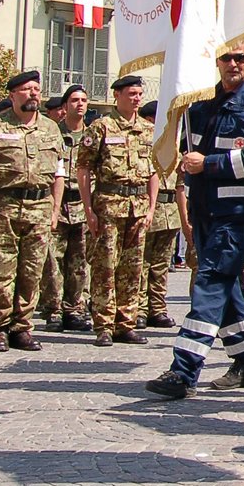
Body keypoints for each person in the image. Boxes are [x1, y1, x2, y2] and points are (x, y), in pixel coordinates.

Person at [144, 42, 244, 398]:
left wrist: (210, 164)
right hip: (205, 210)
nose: (233, 64)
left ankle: (183, 371)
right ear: (216, 61)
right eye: (226, 57)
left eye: (240, 57)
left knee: (210, 285)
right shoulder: (201, 101)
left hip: (233, 215)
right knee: (227, 289)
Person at [0, 70, 67, 352]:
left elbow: (59, 172)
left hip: (39, 208)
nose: (33, 93)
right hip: (2, 208)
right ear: (12, 95)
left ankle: (21, 327)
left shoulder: (50, 128)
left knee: (32, 272)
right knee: (0, 270)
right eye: (26, 89)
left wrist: (55, 209)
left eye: (36, 89)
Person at [74, 75, 157, 347]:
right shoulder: (101, 128)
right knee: (105, 267)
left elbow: (154, 172)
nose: (136, 98)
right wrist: (88, 208)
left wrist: (151, 207)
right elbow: (84, 168)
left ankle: (126, 322)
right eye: (131, 93)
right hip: (109, 204)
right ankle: (104, 324)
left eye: (139, 93)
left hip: (138, 206)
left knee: (133, 270)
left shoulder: (148, 131)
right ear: (117, 95)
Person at [41, 84, 91, 333]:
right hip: (56, 203)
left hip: (82, 204)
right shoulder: (52, 133)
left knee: (79, 261)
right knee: (52, 261)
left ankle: (75, 308)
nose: (79, 104)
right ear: (64, 106)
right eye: (74, 100)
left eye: (83, 100)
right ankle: (54, 309)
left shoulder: (93, 135)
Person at [136, 100, 179, 329]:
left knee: (161, 265)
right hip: (147, 209)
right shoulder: (142, 146)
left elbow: (181, 186)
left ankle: (158, 308)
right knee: (142, 263)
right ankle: (140, 308)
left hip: (170, 212)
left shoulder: (172, 147)